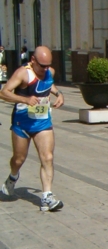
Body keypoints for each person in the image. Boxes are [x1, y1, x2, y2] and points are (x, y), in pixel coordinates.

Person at [0, 46, 65, 211]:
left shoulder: (50, 71)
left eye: (48, 65)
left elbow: (49, 85)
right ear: (33, 60)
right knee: (18, 159)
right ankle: (12, 178)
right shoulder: (23, 73)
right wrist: (25, 99)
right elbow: (4, 93)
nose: (45, 69)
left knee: (47, 157)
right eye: (42, 65)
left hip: (42, 122)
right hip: (22, 122)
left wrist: (59, 94)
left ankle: (47, 197)